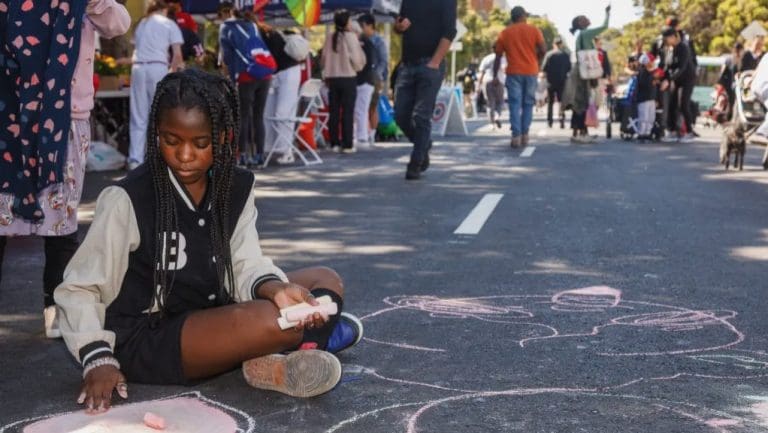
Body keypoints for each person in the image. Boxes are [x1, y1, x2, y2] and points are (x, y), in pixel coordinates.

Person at [55, 69, 364, 413]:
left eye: (201, 144)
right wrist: (97, 358)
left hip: (215, 308)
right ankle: (304, 343)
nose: (185, 154)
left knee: (325, 279)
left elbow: (245, 261)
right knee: (276, 322)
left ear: (223, 136)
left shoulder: (236, 186)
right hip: (153, 334)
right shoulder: (127, 198)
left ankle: (281, 356)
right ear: (156, 135)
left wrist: (275, 289)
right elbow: (79, 288)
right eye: (171, 140)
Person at [0, 0, 130, 337]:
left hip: (66, 118)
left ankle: (55, 307)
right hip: (10, 118)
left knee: (60, 217)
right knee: (2, 212)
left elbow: (118, 24)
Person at [394, 0, 457, 180]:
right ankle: (423, 144)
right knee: (400, 115)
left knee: (421, 116)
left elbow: (450, 31)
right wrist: (399, 27)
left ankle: (416, 162)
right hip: (407, 64)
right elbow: (398, 25)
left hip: (430, 64)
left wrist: (435, 62)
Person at [128, 0, 184, 170]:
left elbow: (134, 47)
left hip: (138, 67)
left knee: (138, 116)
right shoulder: (169, 24)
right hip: (158, 67)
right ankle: (161, 157)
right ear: (165, 8)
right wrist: (174, 73)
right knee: (162, 113)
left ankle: (135, 159)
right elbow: (177, 56)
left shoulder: (142, 23)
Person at [219, 3, 276, 168]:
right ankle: (259, 156)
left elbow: (227, 57)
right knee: (258, 116)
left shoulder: (226, 28)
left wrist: (229, 76)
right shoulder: (252, 25)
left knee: (243, 116)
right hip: (264, 72)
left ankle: (242, 156)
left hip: (245, 75)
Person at [495, 6, 546, 148]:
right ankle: (525, 134)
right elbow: (543, 49)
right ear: (522, 16)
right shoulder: (534, 30)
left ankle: (516, 136)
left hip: (513, 72)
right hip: (531, 71)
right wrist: (537, 61)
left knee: (514, 104)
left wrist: (494, 75)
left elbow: (498, 56)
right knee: (528, 103)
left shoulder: (505, 33)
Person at [321, 11, 366, 153]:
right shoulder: (350, 37)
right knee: (347, 111)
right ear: (347, 22)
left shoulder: (329, 37)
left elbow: (323, 59)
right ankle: (347, 144)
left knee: (334, 111)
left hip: (332, 78)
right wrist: (356, 67)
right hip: (348, 78)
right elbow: (358, 60)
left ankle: (334, 142)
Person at [261, 24, 305, 163]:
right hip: (284, 73)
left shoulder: (268, 39)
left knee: (283, 114)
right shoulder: (273, 36)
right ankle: (273, 147)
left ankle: (286, 150)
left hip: (286, 73)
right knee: (270, 113)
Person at [568, 5, 610, 143]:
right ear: (580, 23)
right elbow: (605, 26)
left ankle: (578, 132)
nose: (587, 19)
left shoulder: (580, 36)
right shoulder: (586, 34)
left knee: (579, 103)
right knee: (584, 103)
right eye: (584, 18)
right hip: (586, 74)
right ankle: (582, 133)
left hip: (580, 72)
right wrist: (607, 13)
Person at [660, 26, 697, 143]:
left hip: (687, 80)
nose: (666, 41)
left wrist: (669, 79)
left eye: (667, 38)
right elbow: (667, 66)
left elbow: (681, 67)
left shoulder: (683, 48)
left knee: (683, 104)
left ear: (673, 37)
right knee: (672, 104)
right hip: (676, 80)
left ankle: (689, 132)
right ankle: (673, 131)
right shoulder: (670, 49)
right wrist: (662, 77)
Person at [354, 16, 377, 149]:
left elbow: (369, 63)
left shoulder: (365, 43)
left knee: (361, 110)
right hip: (365, 81)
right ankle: (361, 136)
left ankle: (362, 137)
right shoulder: (367, 42)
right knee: (360, 110)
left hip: (364, 81)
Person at [541, 37, 571, 129]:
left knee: (550, 102)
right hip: (562, 81)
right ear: (561, 44)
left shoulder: (549, 54)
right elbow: (569, 68)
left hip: (550, 81)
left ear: (553, 44)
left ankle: (549, 121)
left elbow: (544, 68)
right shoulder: (565, 55)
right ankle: (561, 118)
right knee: (561, 101)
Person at [478, 45, 507, 129]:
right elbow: (505, 69)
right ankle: (497, 115)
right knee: (500, 102)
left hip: (488, 81)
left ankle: (491, 122)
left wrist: (478, 85)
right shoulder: (503, 58)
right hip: (499, 81)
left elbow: (482, 73)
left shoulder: (486, 58)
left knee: (490, 103)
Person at [636, 53, 659, 140]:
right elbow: (643, 83)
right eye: (651, 61)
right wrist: (652, 78)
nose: (652, 63)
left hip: (651, 98)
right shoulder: (642, 72)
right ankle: (641, 133)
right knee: (643, 117)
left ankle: (648, 133)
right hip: (644, 99)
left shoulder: (652, 72)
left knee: (651, 117)